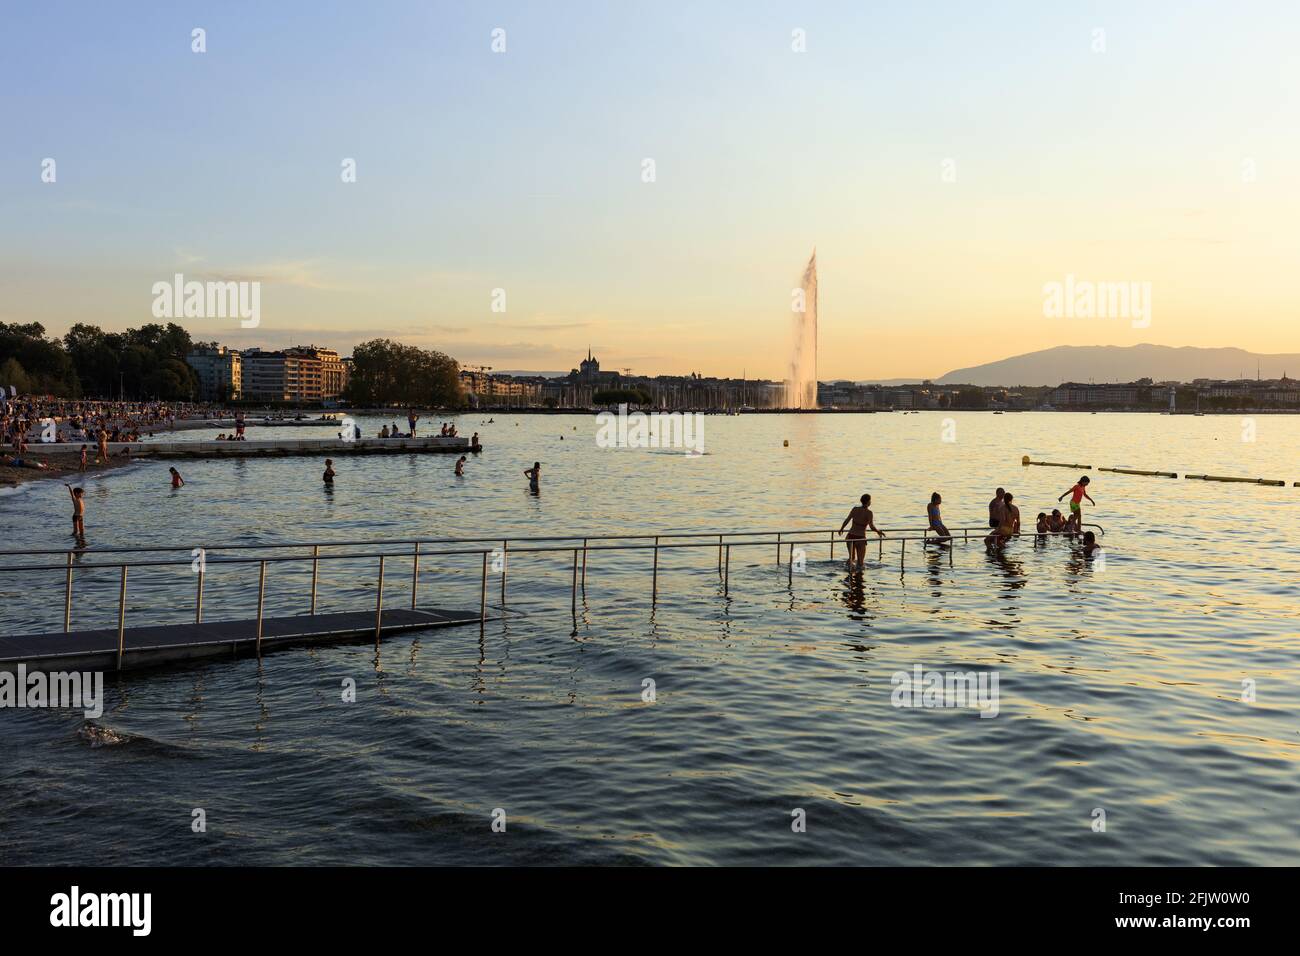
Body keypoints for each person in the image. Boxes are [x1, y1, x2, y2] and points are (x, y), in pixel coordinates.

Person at [839, 493, 885, 568]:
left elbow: (847, 520)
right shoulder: (869, 513)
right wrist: (878, 531)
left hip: (850, 535)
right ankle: (859, 577)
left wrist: (842, 528)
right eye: (870, 501)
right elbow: (872, 526)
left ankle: (848, 572)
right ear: (868, 502)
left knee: (852, 558)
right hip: (860, 538)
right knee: (860, 562)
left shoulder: (855, 509)